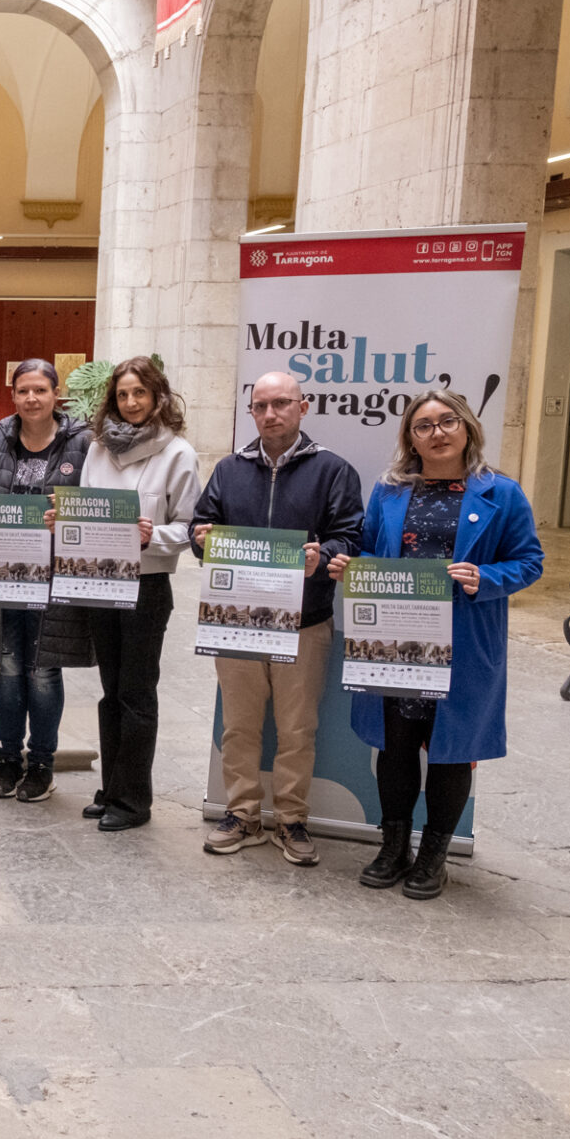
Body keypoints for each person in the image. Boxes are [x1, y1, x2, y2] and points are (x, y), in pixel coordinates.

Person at [329, 390, 542, 899]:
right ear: (410, 438)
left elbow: (529, 561)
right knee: (396, 746)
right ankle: (393, 847)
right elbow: (368, 550)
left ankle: (433, 857)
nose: (437, 433)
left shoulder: (502, 493)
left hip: (463, 643)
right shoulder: (390, 491)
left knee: (451, 753)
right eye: (423, 426)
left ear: (467, 428)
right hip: (397, 641)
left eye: (448, 421)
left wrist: (486, 578)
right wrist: (350, 566)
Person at [191, 371, 363, 866]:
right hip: (237, 621)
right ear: (251, 412)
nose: (271, 414)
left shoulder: (334, 470)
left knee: (297, 728)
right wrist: (200, 539)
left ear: (302, 408)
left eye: (281, 403)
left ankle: (291, 819)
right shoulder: (229, 469)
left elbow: (352, 537)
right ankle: (242, 814)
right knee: (239, 726)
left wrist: (322, 556)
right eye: (261, 406)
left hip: (305, 621)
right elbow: (201, 526)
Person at [0, 359, 92, 802]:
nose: (31, 399)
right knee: (8, 667)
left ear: (55, 394)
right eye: (23, 391)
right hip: (3, 579)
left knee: (44, 670)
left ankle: (42, 764)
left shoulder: (84, 444)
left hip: (54, 580)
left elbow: (95, 508)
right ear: (12, 395)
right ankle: (9, 759)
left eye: (40, 390)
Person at [80, 356, 200, 832]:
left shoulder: (178, 453)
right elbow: (86, 505)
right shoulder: (97, 448)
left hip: (146, 585)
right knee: (110, 692)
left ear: (157, 396)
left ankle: (133, 801)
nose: (131, 402)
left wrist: (155, 536)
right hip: (100, 579)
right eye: (123, 394)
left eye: (139, 393)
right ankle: (111, 788)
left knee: (136, 694)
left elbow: (190, 528)